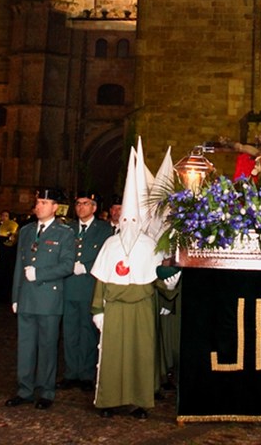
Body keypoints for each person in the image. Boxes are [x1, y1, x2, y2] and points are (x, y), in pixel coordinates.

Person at [90, 145, 168, 420]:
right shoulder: (110, 244)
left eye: (134, 218)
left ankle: (140, 402)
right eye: (126, 218)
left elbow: (159, 278)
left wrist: (170, 284)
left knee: (140, 355)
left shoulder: (150, 245)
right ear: (120, 219)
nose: (129, 222)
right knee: (112, 356)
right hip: (114, 307)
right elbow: (102, 279)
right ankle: (109, 400)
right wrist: (97, 309)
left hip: (141, 307)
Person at [6, 187, 74, 409]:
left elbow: (67, 265)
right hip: (26, 297)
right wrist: (16, 295)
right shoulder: (26, 231)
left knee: (47, 347)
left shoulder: (64, 233)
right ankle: (24, 389)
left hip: (48, 299)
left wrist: (40, 274)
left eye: (44, 203)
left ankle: (46, 391)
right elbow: (18, 264)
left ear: (55, 207)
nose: (38, 206)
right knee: (25, 346)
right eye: (38, 202)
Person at [60, 191, 112, 391]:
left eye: (86, 203)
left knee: (88, 332)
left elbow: (105, 255)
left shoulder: (104, 229)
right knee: (70, 332)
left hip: (90, 287)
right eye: (78, 204)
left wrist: (87, 267)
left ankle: (87, 374)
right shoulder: (67, 228)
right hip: (69, 286)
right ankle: (71, 372)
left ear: (94, 207)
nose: (81, 207)